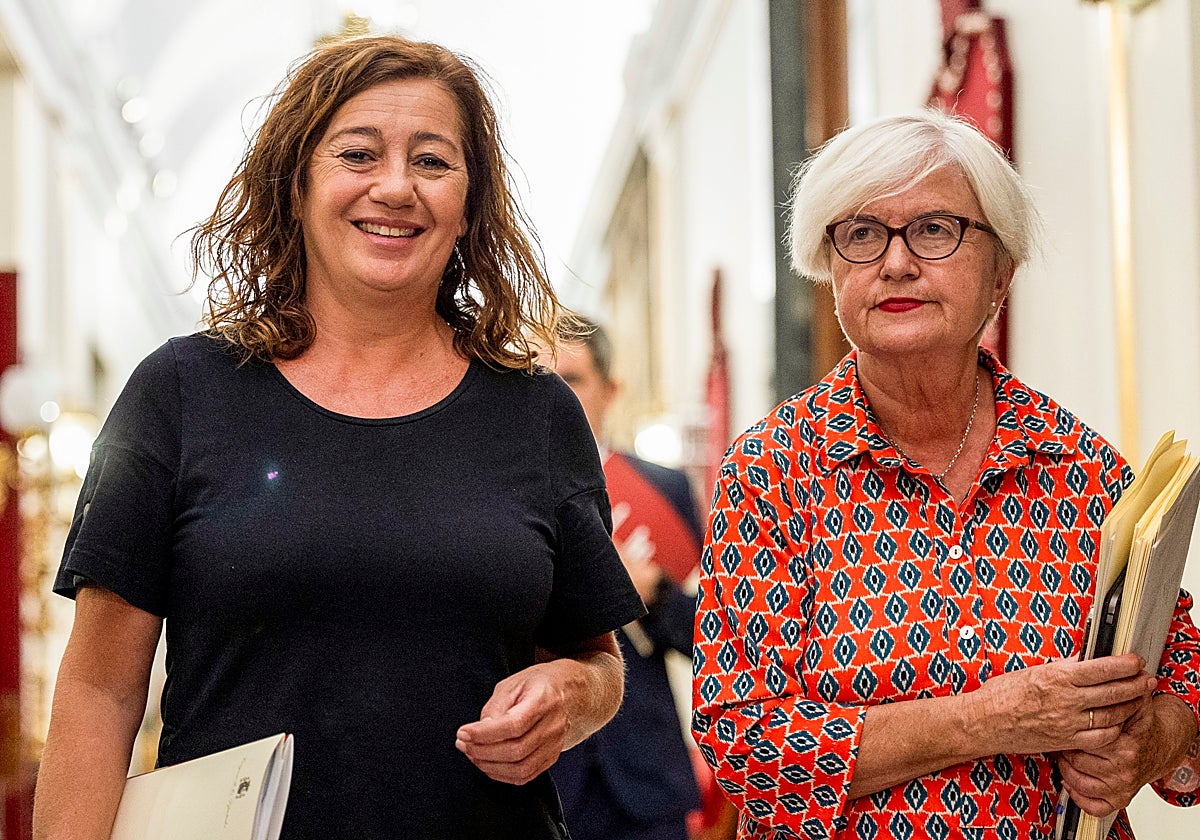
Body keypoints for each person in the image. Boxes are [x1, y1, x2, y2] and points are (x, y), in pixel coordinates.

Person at [32, 35, 645, 840]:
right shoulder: (182, 393)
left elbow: (597, 658)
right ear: (296, 186)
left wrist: (571, 697)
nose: (395, 188)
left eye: (432, 161)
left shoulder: (536, 414)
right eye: (358, 154)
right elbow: (101, 692)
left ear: (469, 205)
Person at [691, 109, 1200, 840]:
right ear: (830, 269)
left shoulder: (1079, 466)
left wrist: (1149, 742)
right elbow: (744, 743)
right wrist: (986, 720)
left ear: (1001, 273)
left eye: (935, 229)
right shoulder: (774, 472)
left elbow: (1183, 667)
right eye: (862, 235)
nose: (895, 262)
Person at [546, 318, 704, 840]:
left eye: (571, 379)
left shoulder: (665, 490)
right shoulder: (506, 499)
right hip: (547, 780)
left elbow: (715, 644)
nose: (555, 395)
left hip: (646, 779)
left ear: (610, 390)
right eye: (540, 379)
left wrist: (653, 592)